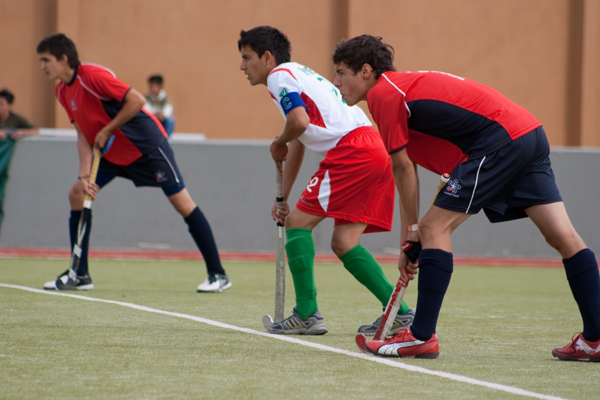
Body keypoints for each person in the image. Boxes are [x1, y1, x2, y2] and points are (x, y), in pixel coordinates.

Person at [331, 34, 600, 361]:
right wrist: (411, 239)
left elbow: (402, 169)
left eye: (341, 72)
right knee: (563, 236)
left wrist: (416, 232)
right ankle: (595, 339)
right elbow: (417, 167)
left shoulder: (385, 93)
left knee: (434, 229)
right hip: (528, 132)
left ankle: (420, 336)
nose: (337, 82)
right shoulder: (405, 90)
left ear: (365, 71)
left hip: (499, 139)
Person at [238, 26, 417, 335]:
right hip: (374, 147)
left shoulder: (279, 76)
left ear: (267, 58)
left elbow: (297, 124)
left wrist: (277, 141)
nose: (242, 67)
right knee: (344, 242)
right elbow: (300, 138)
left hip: (353, 150)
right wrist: (284, 197)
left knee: (297, 225)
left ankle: (307, 313)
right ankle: (399, 311)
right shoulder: (299, 76)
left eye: (246, 58)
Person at [36, 33, 231, 293]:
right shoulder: (61, 90)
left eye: (46, 60)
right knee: (77, 194)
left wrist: (108, 129)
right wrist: (85, 176)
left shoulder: (92, 76)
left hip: (146, 147)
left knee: (182, 204)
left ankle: (218, 274)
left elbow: (137, 101)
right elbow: (82, 133)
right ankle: (79, 273)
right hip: (112, 153)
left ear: (63, 59)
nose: (42, 66)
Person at [0, 89, 38, 234]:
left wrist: (20, 133)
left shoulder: (16, 120)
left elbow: (35, 130)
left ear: (10, 106)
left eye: (2, 104)